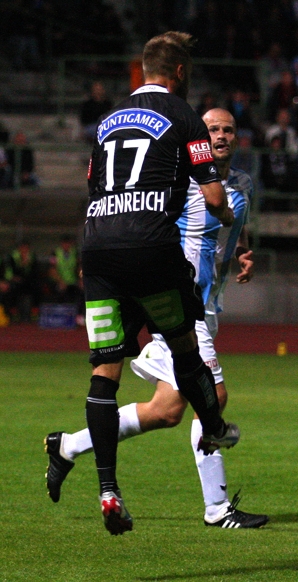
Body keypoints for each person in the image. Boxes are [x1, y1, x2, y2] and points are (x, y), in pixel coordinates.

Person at [45, 108, 268, 529]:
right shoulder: (179, 179)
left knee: (166, 410)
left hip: (208, 305)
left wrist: (241, 252)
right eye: (213, 129)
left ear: (238, 138)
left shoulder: (243, 183)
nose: (221, 135)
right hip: (177, 303)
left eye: (229, 130)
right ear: (201, 136)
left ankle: (69, 446)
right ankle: (217, 508)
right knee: (213, 397)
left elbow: (231, 225)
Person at [59, 32, 239, 536]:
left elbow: (94, 187)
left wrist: (88, 256)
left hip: (98, 250)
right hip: (151, 248)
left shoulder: (107, 121)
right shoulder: (184, 116)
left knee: (104, 371)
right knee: (186, 349)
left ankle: (108, 490)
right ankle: (218, 433)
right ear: (179, 72)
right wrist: (224, 218)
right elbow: (212, 195)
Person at [0, 240, 42, 322]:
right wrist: (22, 264)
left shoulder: (32, 257)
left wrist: (28, 264)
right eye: (23, 248)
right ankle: (11, 314)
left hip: (28, 281)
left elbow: (35, 272)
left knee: (35, 288)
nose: (25, 250)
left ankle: (29, 315)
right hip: (14, 281)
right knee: (11, 288)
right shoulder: (12, 257)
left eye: (26, 248)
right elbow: (8, 273)